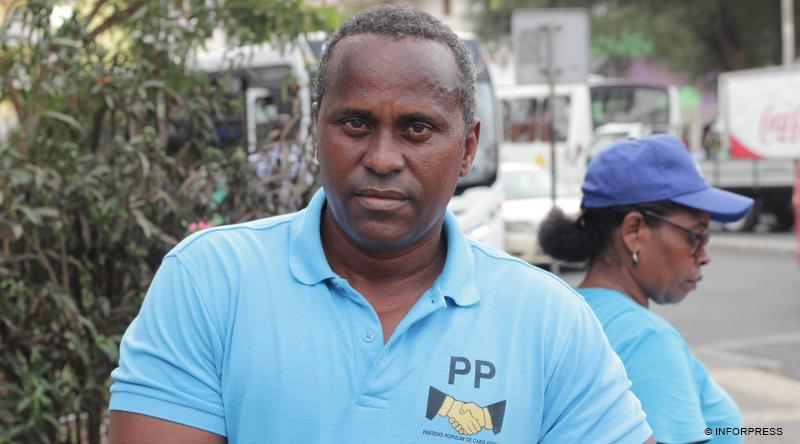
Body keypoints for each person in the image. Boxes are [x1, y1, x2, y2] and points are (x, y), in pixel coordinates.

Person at [108, 5, 655, 443]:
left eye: (417, 128)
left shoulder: (549, 322)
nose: (383, 158)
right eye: (355, 123)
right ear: (316, 128)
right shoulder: (210, 282)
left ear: (468, 148)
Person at [539, 134, 754, 443]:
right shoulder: (645, 338)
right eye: (696, 236)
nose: (705, 255)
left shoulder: (561, 314)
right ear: (634, 232)